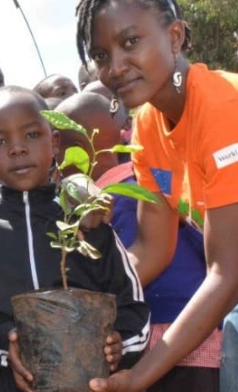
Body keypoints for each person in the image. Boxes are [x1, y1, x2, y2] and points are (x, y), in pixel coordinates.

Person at [75, 0, 238, 391]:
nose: (115, 67)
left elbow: (227, 272)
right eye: (101, 55)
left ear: (174, 37)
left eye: (131, 41)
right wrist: (80, 305)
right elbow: (153, 250)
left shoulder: (226, 110)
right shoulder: (148, 128)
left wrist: (139, 376)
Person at [0, 86, 149, 392]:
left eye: (32, 135)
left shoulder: (83, 215)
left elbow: (130, 301)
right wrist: (5, 345)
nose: (17, 149)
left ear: (54, 142)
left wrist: (121, 343)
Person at [57, 92, 221, 392]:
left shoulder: (118, 201)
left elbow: (137, 267)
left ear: (72, 153)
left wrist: (84, 303)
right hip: (197, 332)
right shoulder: (145, 184)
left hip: (171, 340)